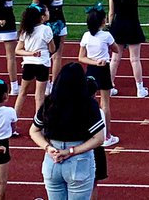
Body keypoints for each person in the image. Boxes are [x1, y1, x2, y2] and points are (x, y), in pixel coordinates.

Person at [29, 63, 106, 200]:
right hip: (79, 160)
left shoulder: (50, 102)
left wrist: (48, 148)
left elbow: (34, 131)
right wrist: (71, 151)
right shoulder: (88, 104)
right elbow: (99, 138)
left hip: (52, 159)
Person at [108, 0, 149, 99]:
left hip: (118, 26)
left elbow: (111, 14)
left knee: (114, 59)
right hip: (132, 26)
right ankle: (140, 88)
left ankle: (109, 86)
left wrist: (110, 27)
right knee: (135, 59)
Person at [77, 4, 118, 147]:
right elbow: (116, 49)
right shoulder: (106, 35)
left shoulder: (86, 36)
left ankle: (86, 132)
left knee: (89, 101)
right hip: (103, 69)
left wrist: (93, 61)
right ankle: (107, 136)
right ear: (102, 21)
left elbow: (81, 58)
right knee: (105, 103)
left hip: (91, 70)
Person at [37, 0, 82, 80]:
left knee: (44, 53)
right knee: (57, 56)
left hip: (44, 25)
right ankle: (53, 83)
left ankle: (43, 81)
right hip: (60, 24)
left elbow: (33, 7)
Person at [14, 3, 54, 123]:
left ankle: (13, 121)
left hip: (28, 64)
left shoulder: (25, 30)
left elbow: (18, 50)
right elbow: (52, 49)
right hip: (42, 64)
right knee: (40, 96)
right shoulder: (46, 29)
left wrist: (30, 53)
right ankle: (39, 124)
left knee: (22, 93)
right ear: (41, 17)